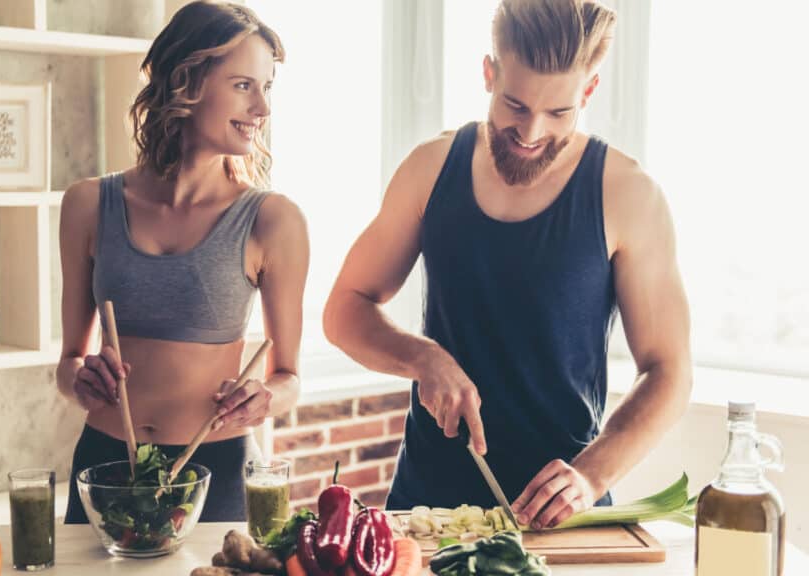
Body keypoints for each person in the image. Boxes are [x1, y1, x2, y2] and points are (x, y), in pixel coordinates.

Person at [323, 0, 692, 530]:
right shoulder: (430, 167)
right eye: (515, 105)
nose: (531, 131)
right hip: (426, 510)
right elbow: (344, 308)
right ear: (488, 73)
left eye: (558, 113)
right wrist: (422, 358)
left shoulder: (628, 194)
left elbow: (669, 370)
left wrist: (591, 475)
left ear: (587, 91)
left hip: (559, 519)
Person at [57, 0, 308, 523]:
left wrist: (264, 399)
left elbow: (288, 376)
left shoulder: (272, 220)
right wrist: (81, 378)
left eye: (267, 88)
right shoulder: (87, 204)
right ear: (185, 82)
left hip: (215, 473)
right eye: (244, 85)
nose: (262, 108)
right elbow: (68, 365)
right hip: (105, 468)